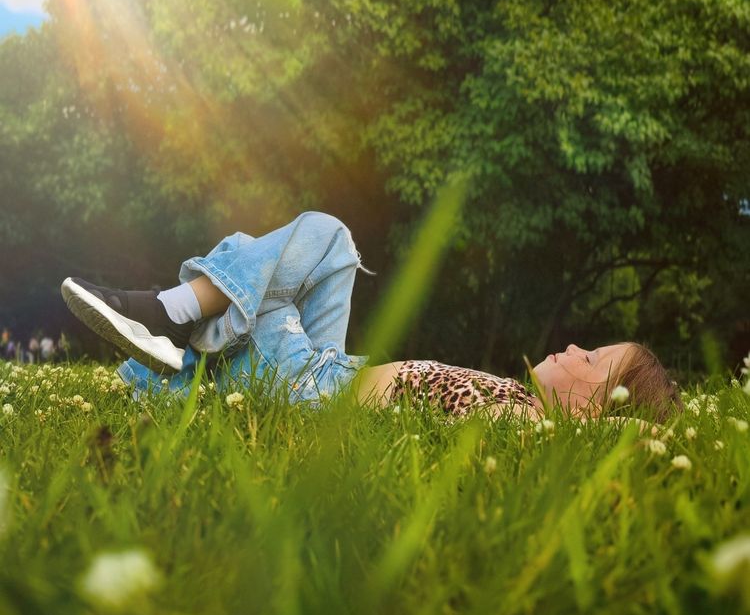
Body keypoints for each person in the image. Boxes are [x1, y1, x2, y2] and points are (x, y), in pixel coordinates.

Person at [61, 211, 680, 421]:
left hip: (313, 389)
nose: (576, 350)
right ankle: (170, 354)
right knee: (333, 248)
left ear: (600, 412)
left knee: (311, 245)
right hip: (325, 369)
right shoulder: (514, 400)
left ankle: (168, 321)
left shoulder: (516, 425)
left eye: (594, 360)